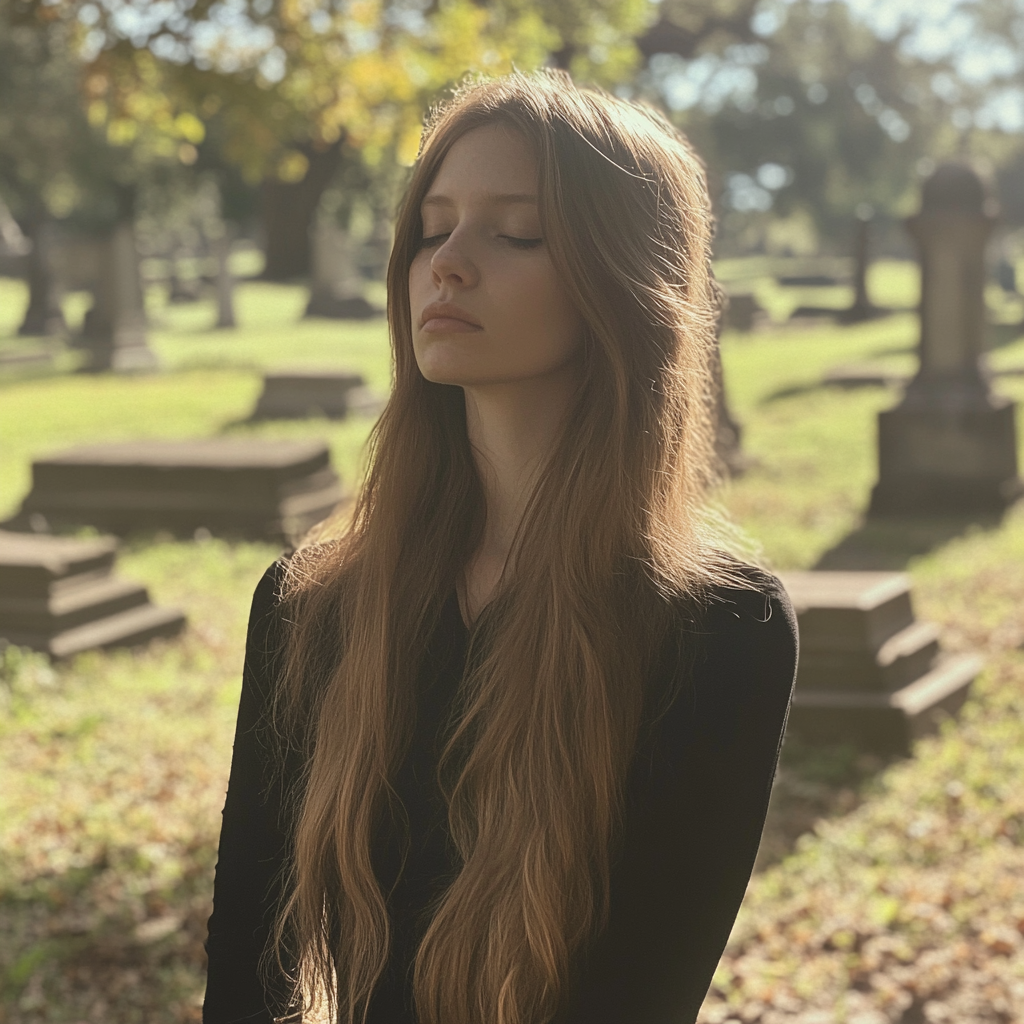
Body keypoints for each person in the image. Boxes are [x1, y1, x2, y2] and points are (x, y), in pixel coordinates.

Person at [203, 69, 798, 1024]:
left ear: (624, 283)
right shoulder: (308, 606)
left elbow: (640, 996)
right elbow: (245, 972)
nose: (449, 263)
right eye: (432, 229)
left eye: (515, 232)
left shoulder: (720, 628)